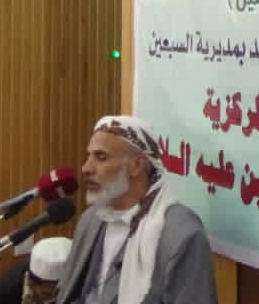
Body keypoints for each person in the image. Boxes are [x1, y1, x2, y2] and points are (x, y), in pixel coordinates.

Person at [55, 116, 217, 304]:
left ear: (136, 165)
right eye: (88, 156)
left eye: (101, 157)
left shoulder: (181, 234)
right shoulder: (91, 219)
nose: (86, 168)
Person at [0, 236, 72, 304]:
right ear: (31, 283)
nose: (58, 299)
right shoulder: (4, 293)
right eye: (48, 294)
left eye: (62, 292)